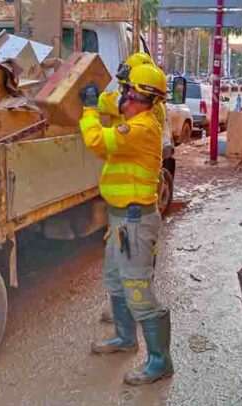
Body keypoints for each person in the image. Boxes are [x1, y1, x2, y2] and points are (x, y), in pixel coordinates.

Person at [79, 63, 173, 386]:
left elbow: (95, 140)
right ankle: (124, 337)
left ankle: (160, 360)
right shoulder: (135, 113)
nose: (121, 99)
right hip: (119, 221)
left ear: (142, 98)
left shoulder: (142, 129)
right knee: (116, 281)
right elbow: (112, 104)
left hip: (135, 223)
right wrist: (97, 97)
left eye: (127, 93)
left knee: (138, 290)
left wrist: (89, 109)